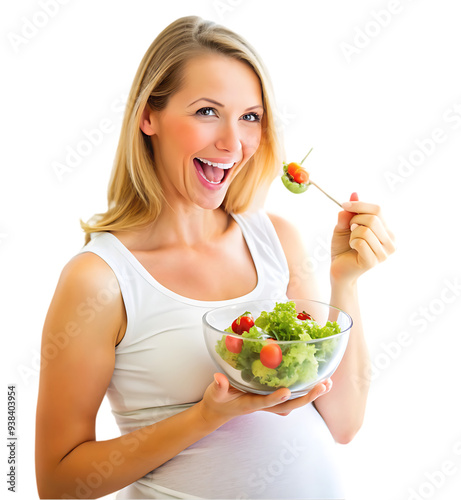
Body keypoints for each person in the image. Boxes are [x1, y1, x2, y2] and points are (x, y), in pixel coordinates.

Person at [35, 15, 396, 499]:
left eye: (250, 117)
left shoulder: (277, 241)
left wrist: (345, 283)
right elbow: (58, 482)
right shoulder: (101, 279)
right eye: (207, 112)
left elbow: (345, 422)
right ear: (149, 116)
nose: (233, 144)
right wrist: (208, 415)